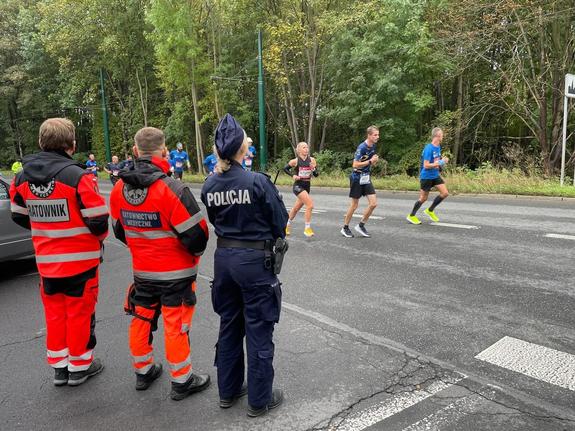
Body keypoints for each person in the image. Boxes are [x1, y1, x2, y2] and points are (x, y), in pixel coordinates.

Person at [109, 127, 210, 400]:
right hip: (176, 273)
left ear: (134, 151)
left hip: (143, 271)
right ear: (164, 152)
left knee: (141, 317)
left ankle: (143, 371)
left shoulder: (119, 188)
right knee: (175, 325)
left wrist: (143, 247)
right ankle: (182, 380)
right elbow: (198, 235)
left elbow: (119, 230)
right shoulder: (172, 188)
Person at [9, 118, 109, 386]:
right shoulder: (77, 176)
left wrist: (45, 227)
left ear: (42, 142)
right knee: (79, 313)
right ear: (71, 144)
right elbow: (99, 220)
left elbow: (18, 215)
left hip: (46, 261)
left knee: (54, 314)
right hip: (81, 261)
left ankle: (59, 367)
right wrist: (94, 238)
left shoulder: (22, 177)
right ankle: (80, 366)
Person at [201, 114, 288, 417]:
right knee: (259, 329)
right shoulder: (257, 181)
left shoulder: (210, 183)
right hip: (254, 263)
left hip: (224, 261)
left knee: (229, 325)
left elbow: (215, 221)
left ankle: (228, 390)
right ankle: (259, 399)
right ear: (241, 150)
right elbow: (280, 222)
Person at [340, 126, 380, 238]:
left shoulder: (373, 146)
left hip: (366, 178)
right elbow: (355, 164)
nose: (377, 137)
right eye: (375, 135)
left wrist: (374, 161)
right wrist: (370, 161)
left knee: (373, 203)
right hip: (357, 177)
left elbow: (370, 162)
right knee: (354, 205)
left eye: (378, 134)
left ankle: (361, 225)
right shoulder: (362, 147)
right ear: (369, 135)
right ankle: (345, 227)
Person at [407, 127, 449, 224]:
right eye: (442, 135)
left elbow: (436, 160)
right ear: (437, 136)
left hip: (435, 175)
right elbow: (426, 165)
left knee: (445, 193)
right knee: (423, 198)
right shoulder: (428, 149)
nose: (443, 136)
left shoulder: (438, 147)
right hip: (426, 177)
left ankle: (430, 210)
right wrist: (441, 162)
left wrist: (440, 164)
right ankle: (411, 216)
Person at [283, 142, 318, 237]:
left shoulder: (312, 160)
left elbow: (316, 175)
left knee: (296, 208)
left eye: (307, 147)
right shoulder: (295, 161)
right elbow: (285, 169)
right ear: (299, 150)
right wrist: (293, 175)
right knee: (310, 205)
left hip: (307, 186)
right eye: (304, 147)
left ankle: (286, 225)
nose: (306, 149)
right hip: (298, 186)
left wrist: (313, 169)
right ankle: (307, 228)